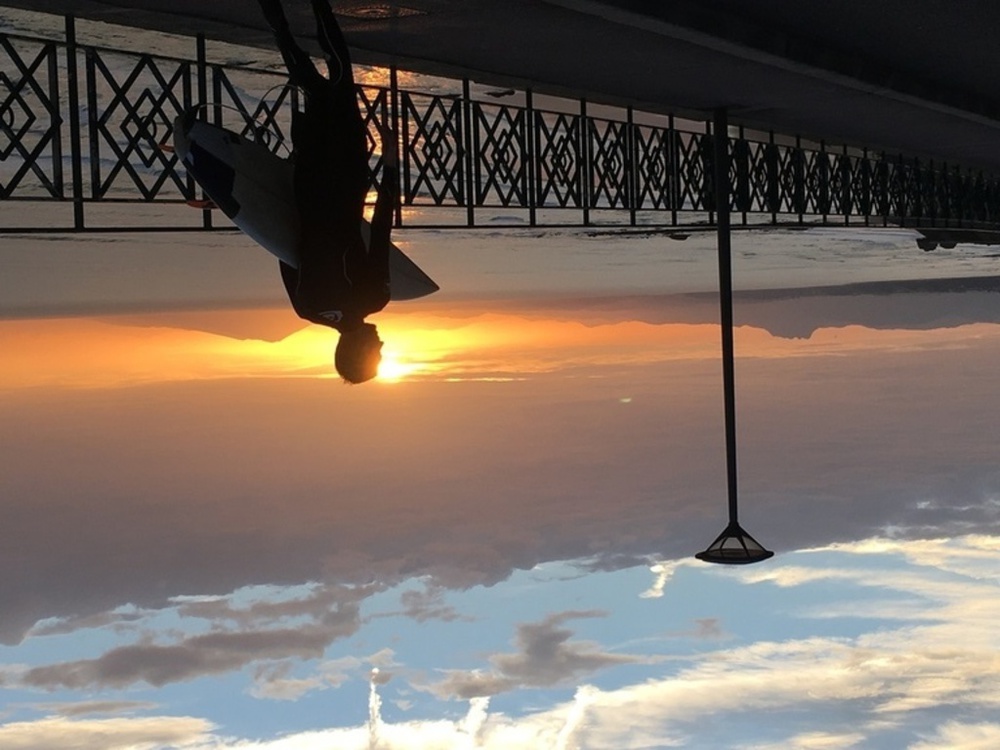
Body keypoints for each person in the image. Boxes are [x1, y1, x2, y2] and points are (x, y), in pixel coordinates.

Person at [258, 0, 397, 383]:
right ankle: (277, 21)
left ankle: (319, 7)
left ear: (361, 351)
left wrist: (390, 161)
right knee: (310, 86)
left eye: (377, 356)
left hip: (346, 173)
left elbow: (382, 227)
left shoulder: (374, 299)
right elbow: (282, 243)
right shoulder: (307, 309)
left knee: (339, 77)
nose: (383, 349)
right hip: (307, 179)